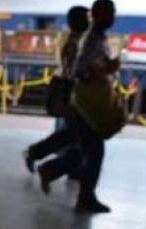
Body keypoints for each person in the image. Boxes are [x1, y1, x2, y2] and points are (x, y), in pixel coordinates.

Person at [23, 6, 89, 193]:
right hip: (71, 93)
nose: (88, 22)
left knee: (73, 134)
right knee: (76, 135)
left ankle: (38, 156)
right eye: (85, 19)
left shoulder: (76, 40)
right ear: (75, 22)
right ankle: (46, 163)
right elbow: (72, 71)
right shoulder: (73, 43)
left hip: (74, 93)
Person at [70, 0, 119, 213]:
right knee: (94, 150)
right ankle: (86, 196)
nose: (113, 17)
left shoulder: (99, 38)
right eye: (110, 13)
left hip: (90, 101)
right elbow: (79, 71)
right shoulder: (91, 40)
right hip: (87, 103)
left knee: (86, 147)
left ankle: (53, 170)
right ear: (99, 15)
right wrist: (106, 69)